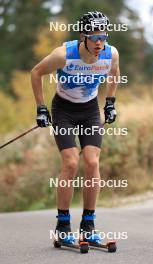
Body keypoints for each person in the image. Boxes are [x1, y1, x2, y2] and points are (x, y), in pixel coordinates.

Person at [31, 11, 120, 244]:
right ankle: (62, 226)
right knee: (71, 162)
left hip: (90, 111)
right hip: (64, 111)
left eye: (103, 36)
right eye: (94, 37)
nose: (100, 42)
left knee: (92, 162)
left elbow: (115, 75)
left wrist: (110, 103)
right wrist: (41, 108)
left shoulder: (111, 54)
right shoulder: (63, 55)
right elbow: (36, 73)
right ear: (83, 36)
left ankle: (88, 226)